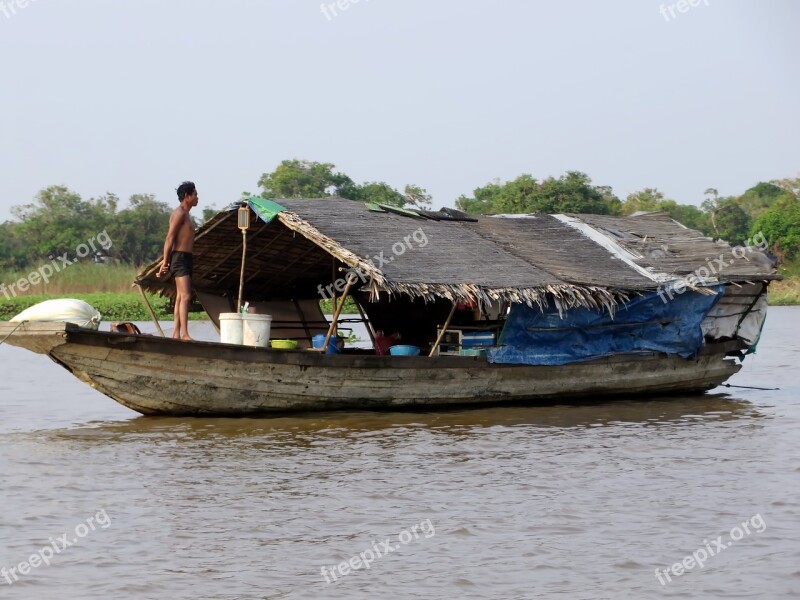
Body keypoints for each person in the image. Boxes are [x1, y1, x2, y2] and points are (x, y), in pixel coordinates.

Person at [157, 181, 199, 340]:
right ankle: (185, 333)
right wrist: (165, 262)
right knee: (186, 295)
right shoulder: (179, 213)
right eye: (195, 194)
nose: (197, 197)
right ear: (187, 196)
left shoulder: (187, 214)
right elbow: (169, 238)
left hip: (186, 258)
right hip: (179, 257)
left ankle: (176, 333)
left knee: (181, 296)